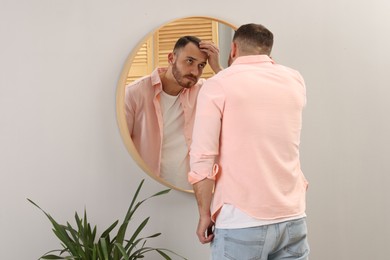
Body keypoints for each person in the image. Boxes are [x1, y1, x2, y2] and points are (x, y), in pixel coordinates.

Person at [188, 23, 310, 259]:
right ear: (268, 50)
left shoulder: (218, 85)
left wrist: (205, 214)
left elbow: (203, 158)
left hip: (241, 221)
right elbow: (256, 102)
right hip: (293, 216)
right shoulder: (295, 80)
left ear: (233, 47)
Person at [125, 36, 222, 191]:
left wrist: (217, 67)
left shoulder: (202, 91)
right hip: (147, 190)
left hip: (190, 191)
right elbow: (120, 146)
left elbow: (237, 102)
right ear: (171, 58)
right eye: (189, 61)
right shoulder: (135, 93)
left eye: (201, 65)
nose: (195, 72)